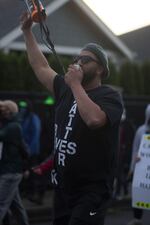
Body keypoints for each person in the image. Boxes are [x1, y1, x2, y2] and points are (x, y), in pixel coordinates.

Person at [20, 11, 123, 225]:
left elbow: (94, 120)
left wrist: (75, 84)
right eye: (77, 58)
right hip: (63, 187)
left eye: (85, 59)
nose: (78, 62)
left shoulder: (109, 96)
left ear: (101, 69)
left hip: (91, 192)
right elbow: (40, 66)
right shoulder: (65, 89)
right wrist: (27, 31)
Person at [0, 100, 30, 225]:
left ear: (9, 111)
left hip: (10, 172)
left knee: (1, 203)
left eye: (3, 109)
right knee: (16, 206)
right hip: (9, 170)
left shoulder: (13, 127)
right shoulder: (9, 125)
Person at [127, 104, 150, 225]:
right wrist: (133, 165)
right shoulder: (141, 130)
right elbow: (135, 148)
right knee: (138, 193)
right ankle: (137, 218)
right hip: (141, 169)